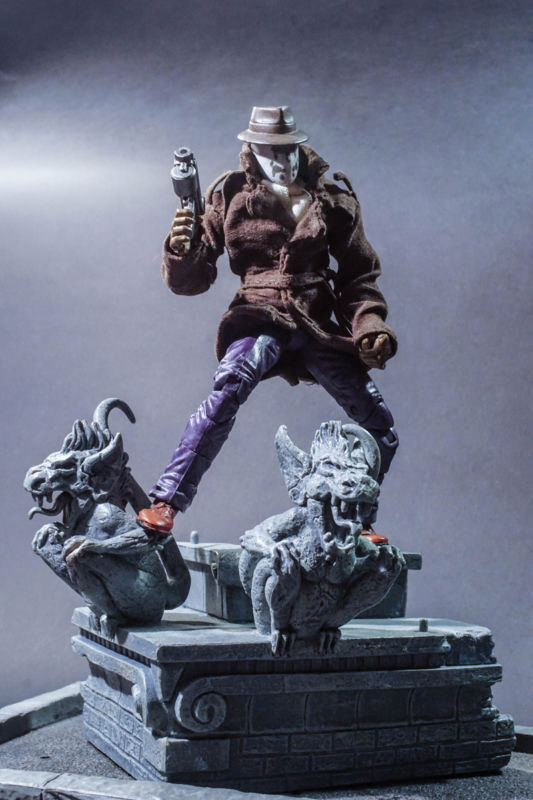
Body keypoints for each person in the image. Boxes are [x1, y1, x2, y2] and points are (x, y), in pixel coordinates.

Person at [137, 106, 398, 540]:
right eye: (269, 152)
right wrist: (181, 249)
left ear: (298, 148)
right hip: (259, 312)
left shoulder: (333, 199)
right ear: (252, 151)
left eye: (287, 150)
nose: (280, 161)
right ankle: (167, 500)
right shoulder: (229, 196)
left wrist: (369, 325)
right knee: (226, 391)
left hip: (316, 321)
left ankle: (354, 518)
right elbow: (195, 278)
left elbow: (359, 275)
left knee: (380, 426)